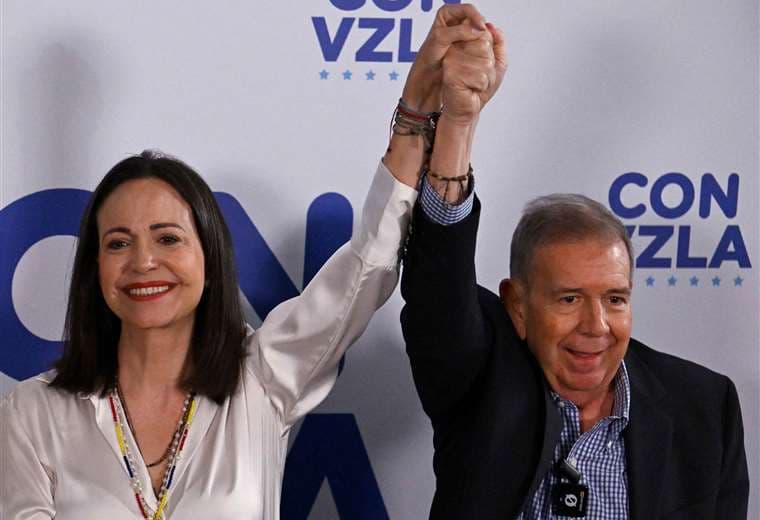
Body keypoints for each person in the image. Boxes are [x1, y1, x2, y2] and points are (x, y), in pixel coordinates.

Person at [0, 4, 500, 519]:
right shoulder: (33, 413)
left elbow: (366, 266)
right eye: (118, 243)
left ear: (210, 258)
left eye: (168, 239)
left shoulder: (263, 379)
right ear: (94, 270)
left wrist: (418, 111)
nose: (144, 261)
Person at [399, 11, 750, 520]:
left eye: (615, 299)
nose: (596, 327)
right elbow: (438, 284)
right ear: (517, 307)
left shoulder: (703, 406)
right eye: (568, 299)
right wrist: (458, 122)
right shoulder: (482, 375)